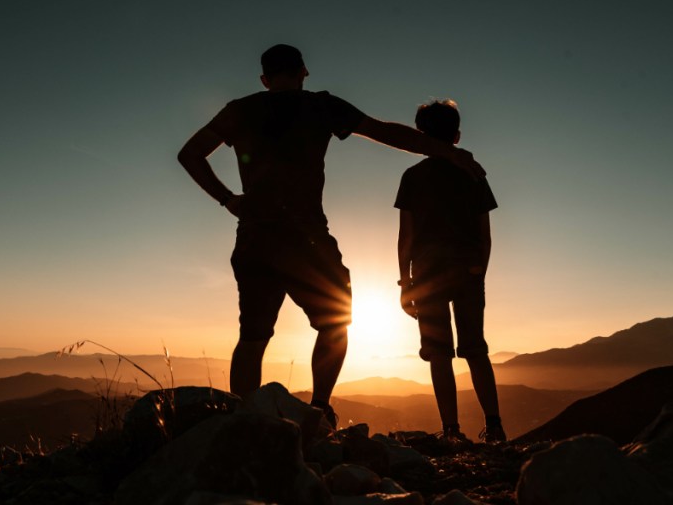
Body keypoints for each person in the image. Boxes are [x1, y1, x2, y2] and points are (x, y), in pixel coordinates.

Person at [178, 44, 484, 426]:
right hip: (308, 239)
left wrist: (227, 199)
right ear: (304, 71)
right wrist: (447, 153)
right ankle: (319, 409)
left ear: (264, 79)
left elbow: (189, 153)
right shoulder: (321, 106)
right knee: (335, 323)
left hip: (255, 237)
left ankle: (246, 422)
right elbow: (385, 132)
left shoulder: (240, 110)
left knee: (253, 337)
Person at [395, 99, 507, 443]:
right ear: (456, 135)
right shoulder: (472, 173)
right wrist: (480, 273)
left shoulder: (413, 177)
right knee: (476, 349)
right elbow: (485, 235)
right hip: (468, 270)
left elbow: (406, 237)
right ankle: (495, 427)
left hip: (427, 274)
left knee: (439, 353)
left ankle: (451, 431)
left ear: (420, 136)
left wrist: (405, 283)